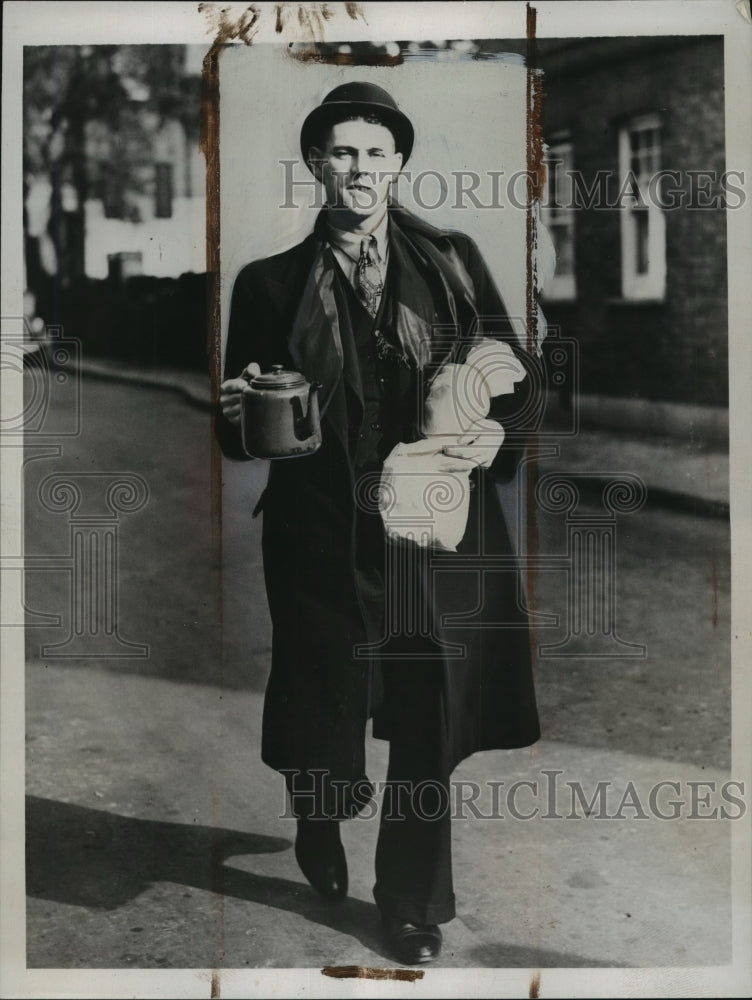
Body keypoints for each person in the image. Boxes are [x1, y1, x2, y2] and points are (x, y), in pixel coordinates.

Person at [215, 81, 540, 965]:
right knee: (326, 699)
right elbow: (236, 427)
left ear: (398, 164)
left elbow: (525, 383)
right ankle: (318, 811)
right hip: (322, 533)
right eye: (341, 152)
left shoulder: (454, 263)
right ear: (317, 162)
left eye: (375, 153)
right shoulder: (270, 283)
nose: (359, 169)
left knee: (426, 709)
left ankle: (411, 902)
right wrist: (240, 408)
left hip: (428, 528)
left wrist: (489, 440)